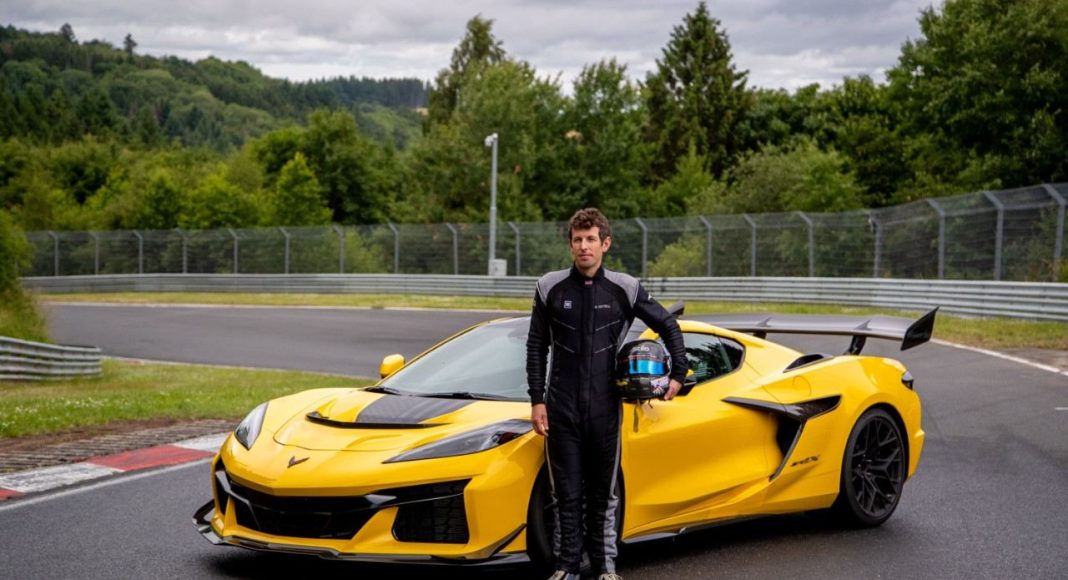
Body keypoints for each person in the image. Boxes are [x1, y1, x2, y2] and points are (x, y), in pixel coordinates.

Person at [526, 208, 688, 580]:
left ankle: (606, 569)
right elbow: (536, 346)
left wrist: (677, 375)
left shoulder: (624, 287)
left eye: (591, 239)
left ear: (605, 244)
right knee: (565, 494)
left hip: (604, 406)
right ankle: (566, 567)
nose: (584, 246)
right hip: (561, 406)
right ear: (570, 245)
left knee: (604, 493)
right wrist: (537, 400)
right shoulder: (549, 286)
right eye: (577, 240)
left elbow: (668, 324)